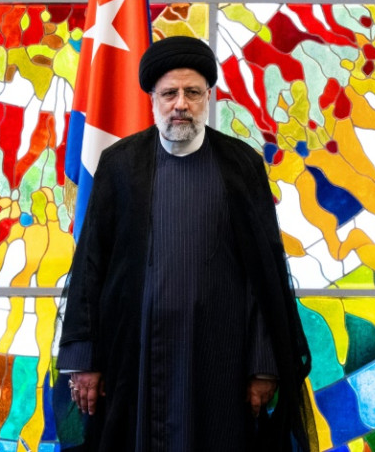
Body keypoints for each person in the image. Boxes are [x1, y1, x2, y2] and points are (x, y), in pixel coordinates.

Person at [57, 36, 316, 452]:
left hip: (219, 359)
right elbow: (90, 264)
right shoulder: (120, 164)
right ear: (152, 100)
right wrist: (84, 359)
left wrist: (264, 366)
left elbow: (264, 275)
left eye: (192, 93)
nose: (181, 104)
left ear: (208, 97)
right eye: (170, 93)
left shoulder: (241, 165)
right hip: (134, 358)